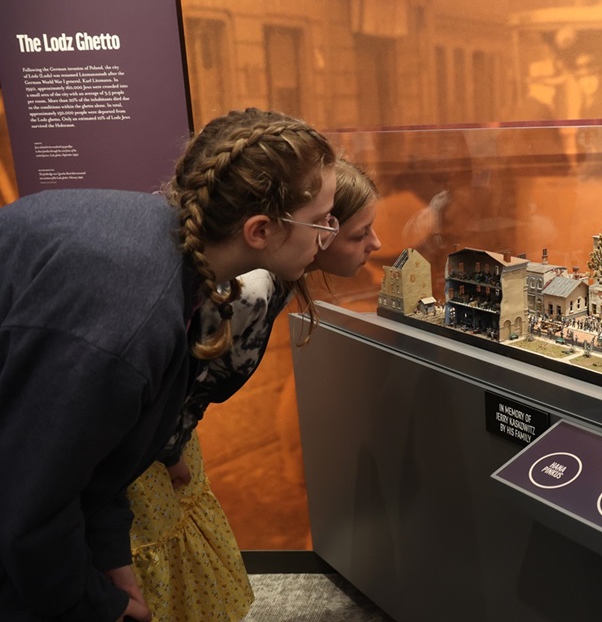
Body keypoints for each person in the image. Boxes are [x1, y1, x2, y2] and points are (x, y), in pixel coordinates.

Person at [0, 107, 337, 621]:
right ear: (260, 230)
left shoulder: (167, 256)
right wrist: (94, 607)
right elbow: (29, 506)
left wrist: (111, 560)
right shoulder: (133, 317)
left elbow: (98, 454)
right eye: (319, 222)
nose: (325, 237)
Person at [126, 159, 382, 622]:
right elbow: (180, 383)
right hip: (145, 445)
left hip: (166, 436)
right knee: (155, 553)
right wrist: (169, 452)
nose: (374, 244)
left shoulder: (278, 277)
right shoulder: (253, 289)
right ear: (319, 229)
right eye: (358, 233)